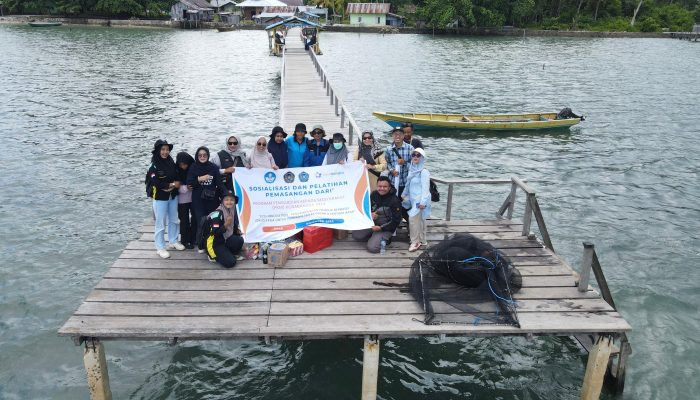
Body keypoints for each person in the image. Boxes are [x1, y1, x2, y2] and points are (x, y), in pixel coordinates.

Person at [148, 140, 185, 259]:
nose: (165, 152)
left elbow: (176, 175)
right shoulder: (153, 165)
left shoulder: (171, 161)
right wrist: (172, 185)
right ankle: (160, 247)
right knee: (160, 223)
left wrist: (178, 182)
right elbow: (155, 182)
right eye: (162, 149)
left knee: (174, 219)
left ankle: (173, 241)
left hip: (172, 196)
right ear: (158, 151)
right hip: (160, 198)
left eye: (167, 149)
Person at [186, 146, 224, 251]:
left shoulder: (213, 168)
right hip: (198, 199)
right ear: (197, 156)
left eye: (205, 155)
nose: (202, 157)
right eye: (200, 155)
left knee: (212, 220)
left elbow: (219, 184)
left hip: (212, 198)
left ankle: (211, 242)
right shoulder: (193, 167)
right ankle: (201, 243)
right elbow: (189, 183)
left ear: (208, 155)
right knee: (200, 221)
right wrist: (199, 179)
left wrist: (226, 195)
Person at [352, 176, 402, 253]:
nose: (382, 188)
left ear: (389, 187)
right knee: (356, 235)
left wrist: (381, 228)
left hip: (385, 228)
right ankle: (375, 236)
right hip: (372, 224)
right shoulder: (374, 194)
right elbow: (366, 208)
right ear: (377, 186)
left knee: (373, 248)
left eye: (385, 186)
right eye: (380, 186)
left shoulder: (395, 200)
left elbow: (396, 221)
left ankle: (386, 239)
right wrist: (370, 214)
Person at [201, 191, 244, 268]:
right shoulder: (217, 214)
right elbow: (215, 232)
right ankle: (212, 256)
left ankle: (228, 253)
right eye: (226, 200)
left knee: (239, 240)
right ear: (222, 201)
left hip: (224, 239)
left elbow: (232, 226)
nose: (229, 202)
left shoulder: (231, 210)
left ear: (234, 202)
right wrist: (226, 224)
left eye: (232, 200)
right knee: (230, 263)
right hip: (215, 243)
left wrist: (236, 230)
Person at [401, 148, 431, 252]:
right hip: (413, 198)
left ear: (422, 158)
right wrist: (404, 194)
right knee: (421, 219)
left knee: (412, 219)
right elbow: (408, 184)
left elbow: (426, 189)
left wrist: (423, 202)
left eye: (418, 155)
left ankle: (415, 241)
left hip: (420, 200)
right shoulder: (412, 169)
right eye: (413, 154)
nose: (415, 157)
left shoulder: (424, 172)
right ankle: (423, 240)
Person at [385, 127, 414, 198]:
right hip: (392, 182)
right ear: (392, 136)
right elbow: (387, 163)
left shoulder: (410, 148)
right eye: (395, 134)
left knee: (403, 205)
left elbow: (414, 166)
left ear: (403, 136)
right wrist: (392, 170)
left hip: (405, 182)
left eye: (400, 134)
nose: (397, 136)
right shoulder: (388, 149)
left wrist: (404, 163)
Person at [175, 151, 196, 249]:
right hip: (182, 200)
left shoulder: (194, 168)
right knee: (184, 220)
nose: (183, 167)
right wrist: (186, 188)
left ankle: (194, 238)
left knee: (195, 218)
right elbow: (176, 187)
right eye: (181, 165)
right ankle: (185, 240)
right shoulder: (176, 171)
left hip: (194, 199)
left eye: (185, 164)